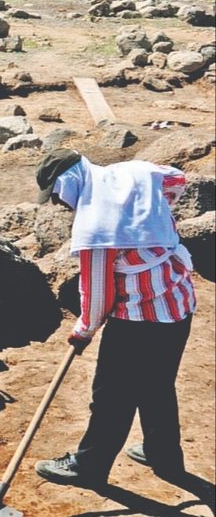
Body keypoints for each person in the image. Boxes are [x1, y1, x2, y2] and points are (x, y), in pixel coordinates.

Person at [31, 149, 197, 487]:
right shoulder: (131, 176)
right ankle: (163, 455)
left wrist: (84, 331)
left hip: (138, 317)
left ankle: (88, 466)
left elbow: (97, 294)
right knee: (157, 385)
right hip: (178, 304)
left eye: (58, 196)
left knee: (111, 395)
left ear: (68, 183)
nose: (60, 205)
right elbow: (175, 179)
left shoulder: (96, 223)